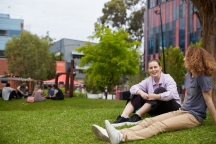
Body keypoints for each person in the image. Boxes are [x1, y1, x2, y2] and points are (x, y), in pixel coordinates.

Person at [91, 46, 216, 144]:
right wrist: (181, 109)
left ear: (193, 59)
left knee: (158, 126)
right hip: (183, 111)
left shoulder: (203, 78)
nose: (184, 59)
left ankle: (121, 136)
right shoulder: (188, 76)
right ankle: (115, 132)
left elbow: (209, 101)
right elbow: (188, 95)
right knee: (149, 121)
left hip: (194, 116)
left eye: (186, 56)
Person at [112, 58, 181, 127]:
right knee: (137, 93)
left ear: (160, 68)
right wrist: (141, 92)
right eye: (151, 68)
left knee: (160, 90)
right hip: (156, 108)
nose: (153, 70)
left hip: (172, 108)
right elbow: (133, 88)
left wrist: (155, 96)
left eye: (155, 67)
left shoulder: (168, 78)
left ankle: (137, 116)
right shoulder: (148, 80)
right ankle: (124, 116)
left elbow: (171, 94)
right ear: (148, 70)